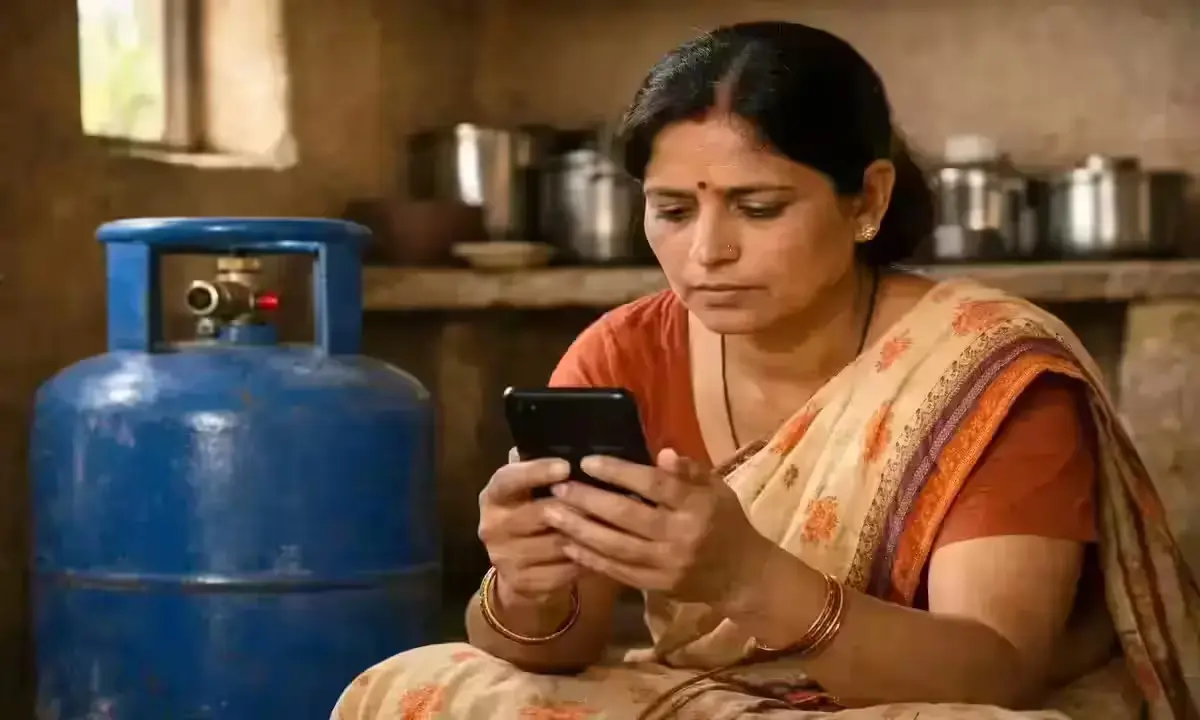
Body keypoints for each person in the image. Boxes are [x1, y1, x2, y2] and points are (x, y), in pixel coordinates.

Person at [332, 21, 1198, 720]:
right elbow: (559, 652)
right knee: (422, 686)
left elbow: (993, 674)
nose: (706, 253)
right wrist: (524, 585)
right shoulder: (624, 352)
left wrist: (747, 579)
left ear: (868, 200)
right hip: (723, 701)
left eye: (759, 207)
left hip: (929, 707)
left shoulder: (986, 370)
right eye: (672, 211)